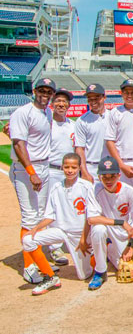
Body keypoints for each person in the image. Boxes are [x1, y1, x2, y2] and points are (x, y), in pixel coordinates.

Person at [21, 153, 99, 295]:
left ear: (79, 168)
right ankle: (50, 277)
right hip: (61, 231)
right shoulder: (56, 187)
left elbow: (90, 216)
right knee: (27, 240)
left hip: (79, 234)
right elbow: (50, 216)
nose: (70, 170)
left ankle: (98, 252)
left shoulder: (86, 186)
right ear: (62, 167)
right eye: (67, 167)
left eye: (74, 167)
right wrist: (36, 229)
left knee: (84, 275)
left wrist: (83, 239)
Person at [10, 78, 55, 284]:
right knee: (29, 218)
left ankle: (38, 259)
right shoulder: (23, 112)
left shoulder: (48, 112)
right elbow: (19, 144)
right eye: (42, 90)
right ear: (34, 90)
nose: (45, 94)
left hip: (44, 166)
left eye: (49, 92)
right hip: (28, 168)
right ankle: (29, 266)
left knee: (39, 217)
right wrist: (31, 172)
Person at [86, 156, 133, 290]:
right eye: (104, 177)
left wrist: (131, 246)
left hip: (123, 233)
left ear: (119, 175)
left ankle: (105, 254)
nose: (108, 180)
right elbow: (91, 219)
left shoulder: (129, 191)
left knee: (121, 266)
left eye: (112, 176)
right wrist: (120, 222)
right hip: (108, 228)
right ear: (99, 177)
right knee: (98, 229)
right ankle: (100, 271)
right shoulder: (94, 190)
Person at [105, 79, 133, 191]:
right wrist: (121, 165)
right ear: (121, 93)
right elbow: (110, 141)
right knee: (124, 200)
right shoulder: (115, 113)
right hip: (124, 162)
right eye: (126, 92)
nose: (129, 95)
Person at [46, 87, 75, 267]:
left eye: (64, 101)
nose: (61, 104)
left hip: (70, 172)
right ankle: (54, 246)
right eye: (58, 101)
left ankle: (67, 240)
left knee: (69, 207)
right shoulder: (47, 123)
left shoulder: (72, 124)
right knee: (51, 209)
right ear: (52, 103)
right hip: (52, 170)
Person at [74, 83, 109, 184]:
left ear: (104, 97)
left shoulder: (113, 116)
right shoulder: (82, 120)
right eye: (90, 98)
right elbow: (79, 148)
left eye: (97, 98)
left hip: (110, 166)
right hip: (91, 167)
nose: (93, 102)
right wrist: (84, 172)